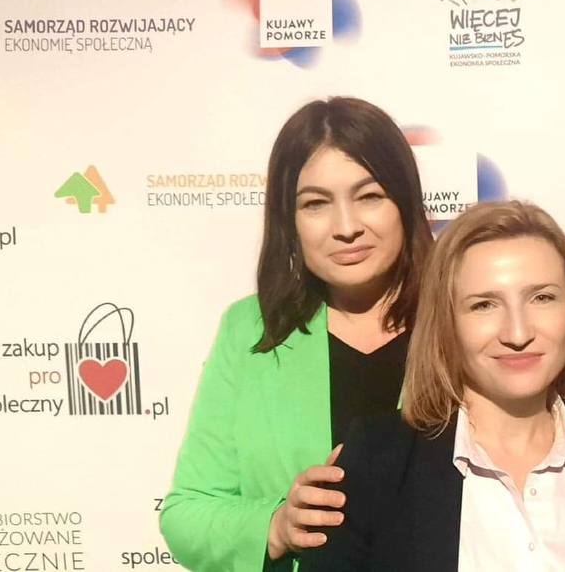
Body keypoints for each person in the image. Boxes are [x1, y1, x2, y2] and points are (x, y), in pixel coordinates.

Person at [160, 97, 434, 571]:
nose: (346, 227)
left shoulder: (462, 320)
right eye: (316, 204)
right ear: (288, 220)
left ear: (405, 201)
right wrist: (275, 525)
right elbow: (187, 512)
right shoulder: (250, 330)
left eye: (369, 196)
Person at [302, 201, 565, 572]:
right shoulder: (375, 463)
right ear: (446, 322)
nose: (518, 333)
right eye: (484, 305)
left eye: (542, 298)